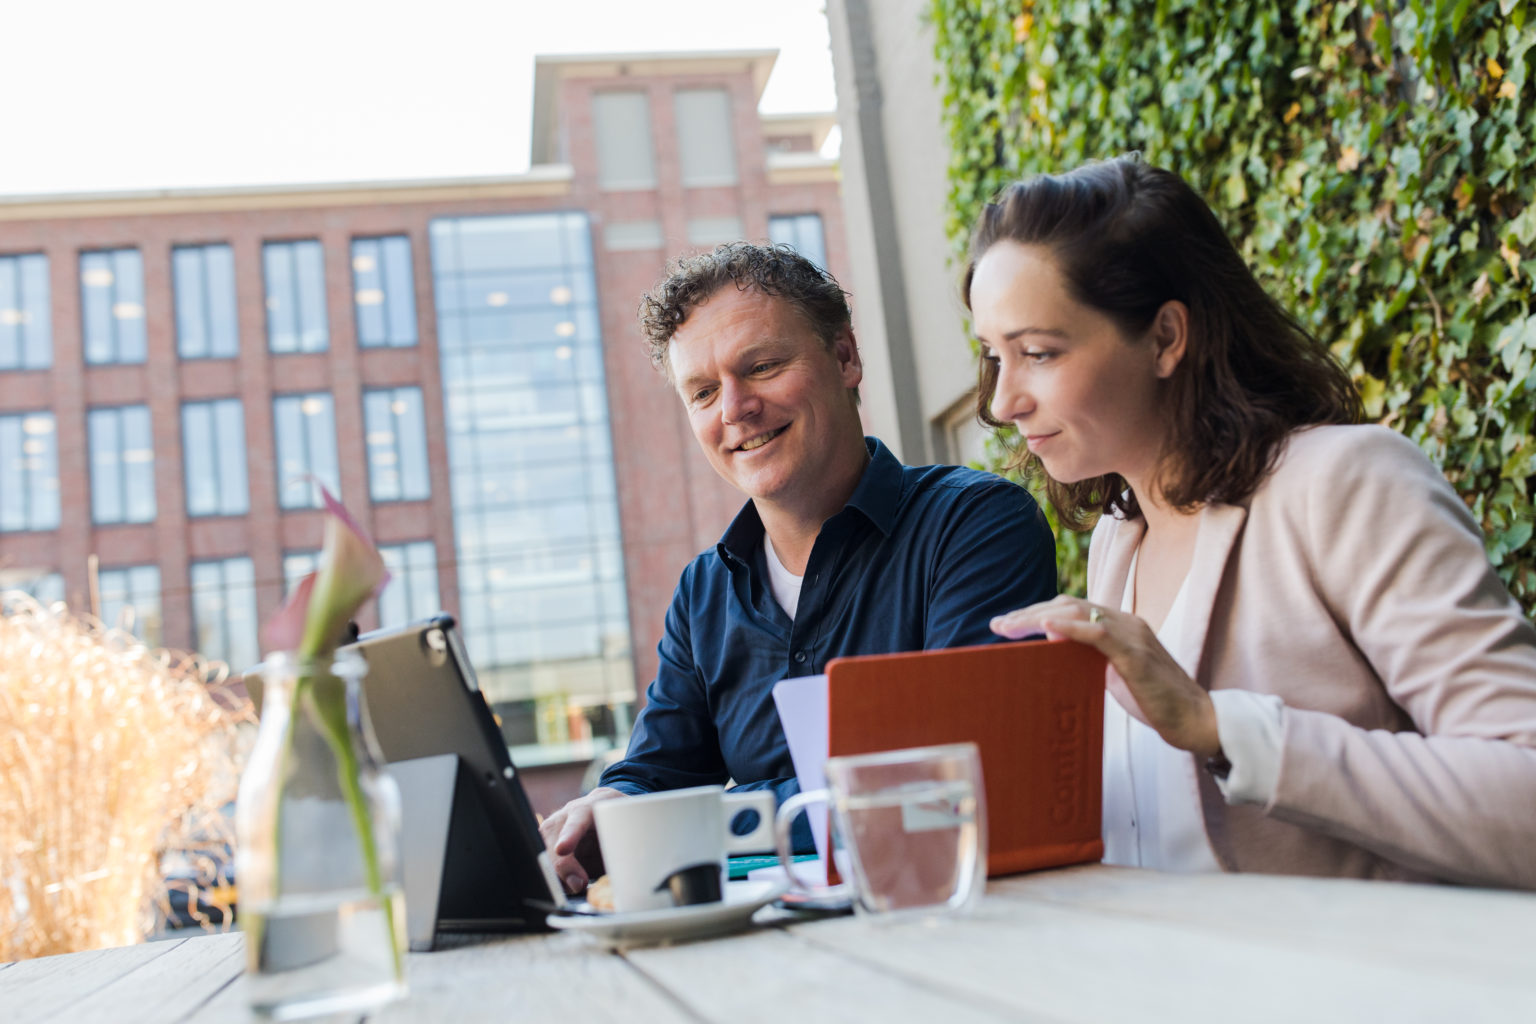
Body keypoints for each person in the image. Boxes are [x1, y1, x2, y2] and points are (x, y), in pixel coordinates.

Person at [972, 156, 1536, 889]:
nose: (1001, 401)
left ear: (1167, 337)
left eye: (1038, 353)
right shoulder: (1120, 534)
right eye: (992, 356)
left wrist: (1219, 726)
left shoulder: (1343, 484)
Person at [539, 242, 1058, 894]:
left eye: (760, 366)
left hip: (946, 935)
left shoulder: (974, 527)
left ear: (844, 357)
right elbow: (656, 772)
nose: (734, 408)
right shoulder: (704, 593)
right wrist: (608, 809)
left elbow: (948, 783)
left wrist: (699, 821)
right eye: (702, 392)